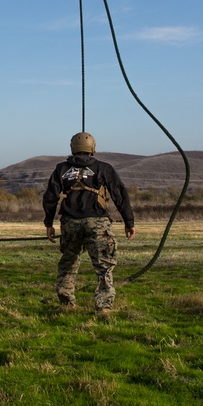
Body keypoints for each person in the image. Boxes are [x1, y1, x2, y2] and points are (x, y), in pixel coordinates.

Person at [43, 132, 135, 315]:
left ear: (72, 148)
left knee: (69, 263)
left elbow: (50, 198)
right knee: (104, 265)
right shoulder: (103, 168)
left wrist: (49, 223)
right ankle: (104, 307)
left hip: (70, 223)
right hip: (98, 223)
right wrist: (129, 221)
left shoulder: (61, 169)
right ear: (93, 147)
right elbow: (119, 195)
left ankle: (66, 302)